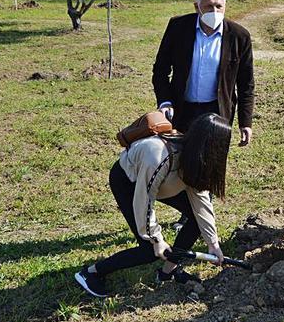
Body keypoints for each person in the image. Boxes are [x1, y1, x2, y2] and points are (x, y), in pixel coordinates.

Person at [74, 113, 231, 298]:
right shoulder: (157, 155)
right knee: (149, 251)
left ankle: (168, 271)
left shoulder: (196, 158)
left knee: (196, 220)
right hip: (129, 182)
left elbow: (201, 200)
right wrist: (156, 239)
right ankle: (91, 272)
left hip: (165, 182)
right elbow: (144, 200)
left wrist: (213, 243)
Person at [153, 0, 254, 144]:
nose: (214, 11)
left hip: (217, 113)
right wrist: (165, 101)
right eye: (209, 6)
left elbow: (246, 83)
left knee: (212, 163)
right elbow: (160, 69)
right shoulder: (178, 27)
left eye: (219, 6)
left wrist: (245, 122)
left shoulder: (239, 36)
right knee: (178, 161)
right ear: (196, 6)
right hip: (181, 110)